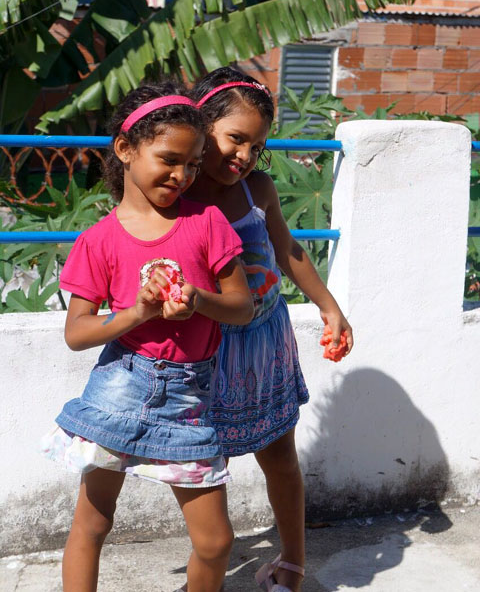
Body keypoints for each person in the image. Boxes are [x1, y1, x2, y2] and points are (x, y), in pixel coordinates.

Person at [41, 81, 254, 592]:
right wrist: (137, 311)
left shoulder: (207, 222)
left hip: (189, 397)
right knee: (93, 523)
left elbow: (242, 308)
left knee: (215, 542)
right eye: (169, 160)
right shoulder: (98, 241)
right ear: (125, 149)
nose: (182, 175)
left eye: (193, 164)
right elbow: (77, 332)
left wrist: (198, 301)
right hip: (120, 386)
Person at [188, 67, 354, 592]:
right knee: (203, 467)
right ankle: (206, 570)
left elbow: (288, 250)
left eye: (256, 147)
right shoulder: (177, 195)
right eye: (235, 138)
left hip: (265, 345)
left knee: (280, 456)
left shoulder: (257, 189)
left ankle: (293, 563)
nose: (245, 155)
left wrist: (329, 306)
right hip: (205, 351)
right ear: (201, 125)